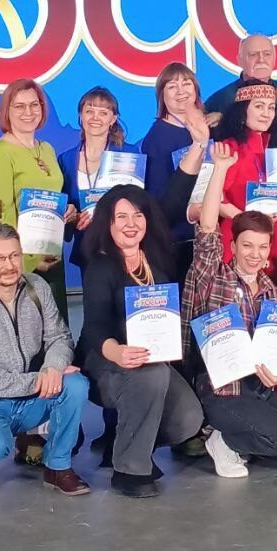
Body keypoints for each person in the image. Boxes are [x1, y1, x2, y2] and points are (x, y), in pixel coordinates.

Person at [182, 141, 277, 477]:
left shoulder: (272, 291)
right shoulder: (213, 274)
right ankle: (223, 440)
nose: (255, 254)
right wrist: (220, 169)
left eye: (262, 247)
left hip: (256, 385)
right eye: (247, 246)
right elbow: (207, 228)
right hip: (220, 386)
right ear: (233, 245)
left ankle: (239, 436)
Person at [0, 223, 90, 498]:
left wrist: (52, 368)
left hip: (29, 399)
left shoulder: (37, 287)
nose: (9, 265)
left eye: (14, 255)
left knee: (75, 384)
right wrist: (38, 380)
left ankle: (58, 466)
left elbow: (59, 337)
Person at [78, 185, 204, 498]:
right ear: (107, 223)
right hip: (106, 361)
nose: (131, 223)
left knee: (189, 418)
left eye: (137, 215)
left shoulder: (157, 262)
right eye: (121, 216)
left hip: (150, 358)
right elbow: (93, 327)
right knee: (153, 374)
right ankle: (129, 470)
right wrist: (116, 352)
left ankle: (131, 444)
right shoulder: (101, 266)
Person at [0, 78, 76, 322]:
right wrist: (27, 261)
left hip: (52, 255)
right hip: (23, 264)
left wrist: (67, 211)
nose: (28, 112)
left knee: (58, 331)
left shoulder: (47, 149)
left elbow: (53, 197)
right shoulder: (0, 154)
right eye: (19, 106)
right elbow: (2, 221)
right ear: (7, 111)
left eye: (34, 105)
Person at [215, 83, 277, 284]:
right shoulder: (229, 148)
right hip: (240, 235)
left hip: (274, 234)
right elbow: (215, 199)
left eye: (271, 107)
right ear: (242, 111)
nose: (266, 113)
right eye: (259, 106)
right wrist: (248, 221)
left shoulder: (275, 149)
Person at [140, 62, 212, 280]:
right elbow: (159, 204)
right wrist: (192, 212)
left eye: (186, 83)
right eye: (172, 86)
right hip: (176, 243)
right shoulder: (156, 138)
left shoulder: (208, 129)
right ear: (162, 96)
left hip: (209, 237)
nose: (181, 91)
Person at [59, 86, 126, 276]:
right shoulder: (66, 159)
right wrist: (73, 217)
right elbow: (66, 205)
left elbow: (140, 201)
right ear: (81, 116)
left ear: (113, 119)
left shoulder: (129, 155)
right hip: (87, 248)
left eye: (103, 113)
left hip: (124, 247)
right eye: (89, 111)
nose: (95, 118)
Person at [203, 32, 277, 138]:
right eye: (253, 54)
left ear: (274, 59)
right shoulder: (219, 101)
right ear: (239, 60)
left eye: (267, 54)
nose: (261, 60)